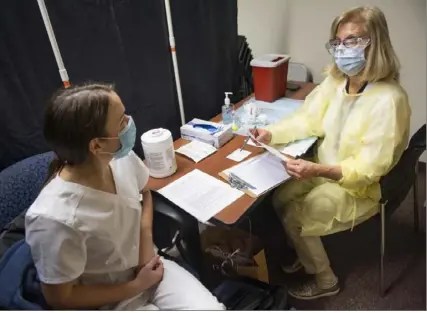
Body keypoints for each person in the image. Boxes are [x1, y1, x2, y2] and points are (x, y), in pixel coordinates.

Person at [251, 6, 410, 300]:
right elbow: (307, 119)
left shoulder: (390, 100)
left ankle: (326, 280)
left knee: (298, 215)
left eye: (352, 41)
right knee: (280, 197)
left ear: (375, 43)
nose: (342, 50)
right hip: (324, 170)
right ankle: (304, 248)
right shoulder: (336, 83)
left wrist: (317, 171)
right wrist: (272, 133)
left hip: (358, 188)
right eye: (338, 43)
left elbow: (368, 169)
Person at [25, 83, 224, 310]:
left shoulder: (120, 158)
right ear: (97, 145)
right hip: (109, 300)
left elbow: (145, 191)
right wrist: (136, 286)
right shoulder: (53, 219)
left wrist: (145, 241)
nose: (129, 122)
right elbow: (61, 298)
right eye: (121, 121)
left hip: (149, 267)